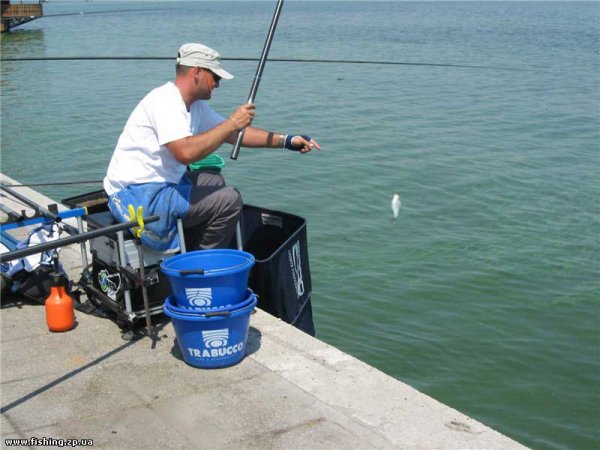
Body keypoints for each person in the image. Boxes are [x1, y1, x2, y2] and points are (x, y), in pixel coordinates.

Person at [103, 43, 320, 252]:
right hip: (138, 195)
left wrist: (288, 140)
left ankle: (190, 245)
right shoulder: (165, 101)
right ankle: (201, 266)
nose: (218, 83)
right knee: (230, 199)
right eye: (215, 77)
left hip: (160, 184)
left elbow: (235, 135)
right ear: (197, 72)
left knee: (215, 181)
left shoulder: (195, 106)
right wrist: (232, 122)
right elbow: (185, 153)